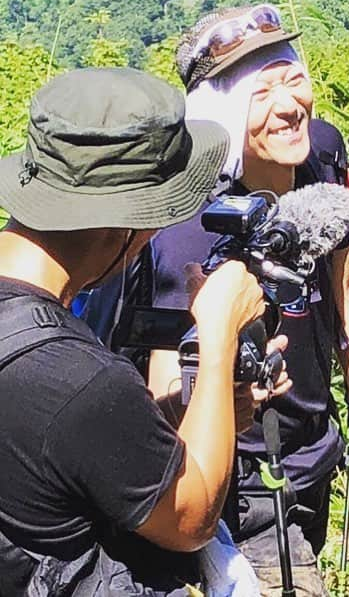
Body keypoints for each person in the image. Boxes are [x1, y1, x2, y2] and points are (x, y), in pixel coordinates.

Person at [141, 4, 349, 596]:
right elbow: (162, 375)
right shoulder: (188, 221)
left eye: (294, 79)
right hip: (241, 481)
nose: (289, 106)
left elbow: (347, 284)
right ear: (220, 113)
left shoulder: (321, 155)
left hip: (314, 447)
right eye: (260, 93)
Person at [0, 67, 291, 595]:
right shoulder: (77, 377)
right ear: (123, 223)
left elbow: (54, 454)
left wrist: (187, 413)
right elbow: (190, 519)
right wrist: (219, 331)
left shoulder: (35, 348)